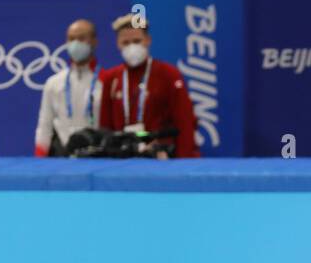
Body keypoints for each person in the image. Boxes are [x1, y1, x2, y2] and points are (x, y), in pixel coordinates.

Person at [98, 14, 199, 159]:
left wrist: (183, 162)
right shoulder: (111, 78)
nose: (131, 47)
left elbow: (185, 122)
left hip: (160, 156)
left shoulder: (169, 75)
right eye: (125, 42)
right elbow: (105, 126)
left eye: (137, 41)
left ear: (148, 40)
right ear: (117, 44)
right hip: (121, 158)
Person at [35, 19, 103, 157]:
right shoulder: (53, 83)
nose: (76, 43)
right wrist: (39, 161)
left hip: (97, 156)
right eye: (71, 39)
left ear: (94, 41)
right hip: (62, 156)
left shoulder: (106, 80)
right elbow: (45, 126)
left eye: (81, 38)